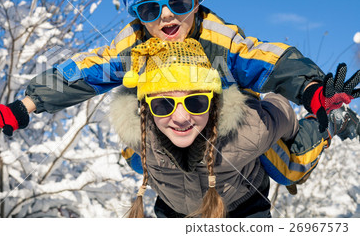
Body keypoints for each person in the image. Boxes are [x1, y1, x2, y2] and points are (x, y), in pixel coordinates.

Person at [0, 0, 360, 189]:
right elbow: (84, 70)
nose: (167, 18)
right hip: (169, 123)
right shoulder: (135, 45)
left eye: (180, 3)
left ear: (195, 1)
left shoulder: (214, 36)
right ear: (139, 15)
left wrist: (312, 89)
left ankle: (324, 126)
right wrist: (25, 105)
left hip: (226, 121)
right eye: (152, 9)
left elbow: (262, 57)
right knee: (142, 156)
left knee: (286, 170)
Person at [112, 37, 304, 217]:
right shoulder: (139, 136)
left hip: (242, 207)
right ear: (146, 109)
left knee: (289, 171)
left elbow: (283, 112)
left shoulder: (250, 130)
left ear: (212, 104)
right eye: (164, 104)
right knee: (138, 159)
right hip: (173, 207)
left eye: (196, 102)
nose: (181, 118)